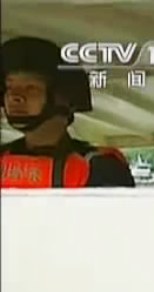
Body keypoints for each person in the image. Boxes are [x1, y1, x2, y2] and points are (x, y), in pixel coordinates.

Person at [0, 36, 135, 188]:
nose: (14, 97)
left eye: (31, 88)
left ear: (64, 98)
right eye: (9, 87)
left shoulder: (99, 167)